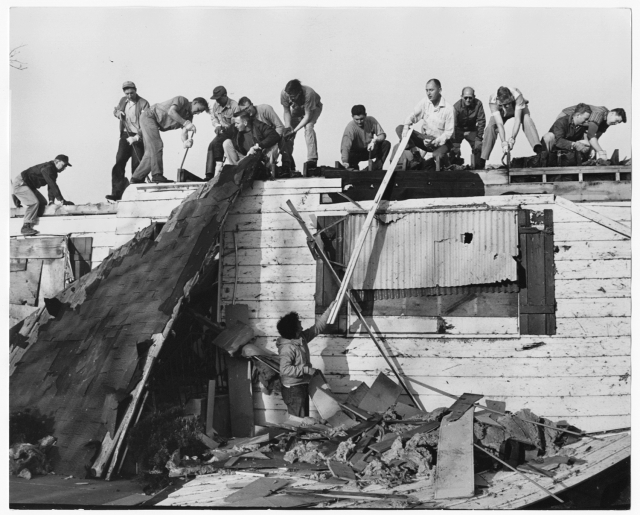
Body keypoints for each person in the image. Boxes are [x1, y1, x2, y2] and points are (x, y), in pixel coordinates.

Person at [130, 96, 209, 185]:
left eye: (200, 112)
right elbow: (171, 112)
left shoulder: (189, 117)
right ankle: (157, 175)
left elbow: (184, 131)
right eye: (198, 109)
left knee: (150, 152)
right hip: (149, 116)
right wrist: (186, 123)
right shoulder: (182, 100)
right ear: (194, 102)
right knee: (157, 145)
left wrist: (185, 142)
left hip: (153, 122)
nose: (197, 113)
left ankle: (136, 177)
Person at [276, 301, 335, 418]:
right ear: (294, 328)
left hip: (302, 385)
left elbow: (317, 328)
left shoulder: (300, 338)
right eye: (298, 322)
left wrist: (331, 307)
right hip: (293, 389)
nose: (300, 321)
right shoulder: (287, 348)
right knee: (298, 423)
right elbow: (284, 369)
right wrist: (306, 370)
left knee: (304, 422)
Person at [397, 79, 454, 168]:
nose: (428, 93)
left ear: (440, 90)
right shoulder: (425, 102)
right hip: (426, 140)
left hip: (442, 142)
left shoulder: (449, 109)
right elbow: (413, 115)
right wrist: (406, 126)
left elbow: (449, 133)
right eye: (426, 90)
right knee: (400, 128)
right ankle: (416, 156)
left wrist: (436, 142)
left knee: (437, 156)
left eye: (431, 90)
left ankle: (447, 164)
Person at [107, 81, 149, 201]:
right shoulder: (123, 100)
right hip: (125, 135)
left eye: (131, 93)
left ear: (136, 90)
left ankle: (136, 195)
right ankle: (117, 193)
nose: (129, 96)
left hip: (138, 137)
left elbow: (146, 123)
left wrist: (137, 137)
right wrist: (118, 113)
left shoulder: (144, 103)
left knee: (137, 165)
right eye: (127, 94)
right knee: (119, 162)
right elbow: (116, 110)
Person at [12, 155, 75, 236]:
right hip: (21, 184)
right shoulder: (47, 168)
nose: (64, 168)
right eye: (63, 165)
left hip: (29, 186)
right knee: (34, 203)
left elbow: (51, 186)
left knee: (42, 203)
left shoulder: (53, 172)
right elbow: (52, 185)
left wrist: (51, 201)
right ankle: (26, 226)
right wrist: (61, 200)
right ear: (56, 161)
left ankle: (32, 216)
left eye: (65, 166)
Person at [481, 86, 542, 162]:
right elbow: (500, 124)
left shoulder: (517, 95)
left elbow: (517, 120)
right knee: (491, 126)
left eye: (507, 104)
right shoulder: (492, 100)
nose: (505, 107)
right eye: (502, 104)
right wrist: (503, 142)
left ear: (511, 97)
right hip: (501, 113)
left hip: (517, 107)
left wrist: (512, 138)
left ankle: (538, 149)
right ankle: (483, 158)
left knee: (527, 120)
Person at [235, 96, 289, 176]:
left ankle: (286, 165)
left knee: (281, 138)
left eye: (247, 108)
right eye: (243, 110)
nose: (246, 111)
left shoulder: (265, 109)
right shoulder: (247, 119)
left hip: (271, 138)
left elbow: (280, 127)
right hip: (259, 142)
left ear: (252, 104)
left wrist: (269, 142)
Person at [557, 105, 626, 162]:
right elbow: (591, 134)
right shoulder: (599, 114)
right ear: (612, 113)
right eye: (616, 120)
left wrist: (592, 150)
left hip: (579, 124)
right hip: (566, 116)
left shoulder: (607, 121)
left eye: (618, 122)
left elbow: (596, 136)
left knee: (586, 145)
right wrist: (601, 153)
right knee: (564, 141)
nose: (616, 124)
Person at [280, 79, 323, 172]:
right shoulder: (284, 94)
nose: (290, 99)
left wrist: (294, 131)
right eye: (289, 97)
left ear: (299, 92)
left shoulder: (309, 93)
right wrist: (288, 128)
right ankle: (287, 160)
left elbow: (307, 116)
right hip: (297, 108)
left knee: (308, 127)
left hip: (313, 108)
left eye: (292, 97)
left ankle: (312, 159)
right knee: (287, 133)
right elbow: (287, 111)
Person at [222, 111, 281, 175]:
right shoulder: (235, 129)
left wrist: (258, 146)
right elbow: (220, 139)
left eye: (237, 123)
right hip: (244, 158)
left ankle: (266, 169)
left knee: (274, 146)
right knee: (226, 143)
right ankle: (236, 170)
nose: (235, 125)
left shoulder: (258, 125)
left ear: (245, 123)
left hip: (260, 157)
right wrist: (219, 160)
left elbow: (274, 135)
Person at [340, 104, 390, 170]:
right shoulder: (350, 128)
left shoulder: (371, 121)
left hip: (368, 151)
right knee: (352, 170)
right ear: (352, 117)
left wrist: (374, 141)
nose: (359, 122)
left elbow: (382, 135)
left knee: (386, 144)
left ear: (365, 115)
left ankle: (376, 167)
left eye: (361, 119)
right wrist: (345, 161)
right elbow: (345, 146)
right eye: (356, 119)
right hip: (355, 154)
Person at [205, 86, 238, 180]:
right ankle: (209, 175)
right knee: (211, 144)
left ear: (225, 96)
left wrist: (226, 128)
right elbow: (213, 117)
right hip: (223, 131)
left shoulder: (234, 105)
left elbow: (237, 124)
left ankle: (218, 169)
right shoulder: (216, 105)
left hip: (233, 132)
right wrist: (217, 125)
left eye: (219, 98)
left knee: (217, 142)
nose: (217, 101)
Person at [451, 87, 486, 169]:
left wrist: (479, 137)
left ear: (474, 96)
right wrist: (454, 142)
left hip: (472, 129)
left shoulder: (478, 104)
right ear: (461, 97)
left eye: (470, 97)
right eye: (465, 97)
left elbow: (481, 121)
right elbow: (453, 125)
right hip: (458, 129)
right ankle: (453, 167)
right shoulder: (456, 107)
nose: (468, 100)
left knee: (479, 146)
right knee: (453, 148)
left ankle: (478, 168)